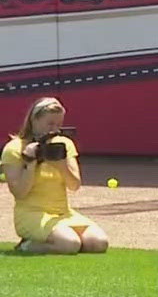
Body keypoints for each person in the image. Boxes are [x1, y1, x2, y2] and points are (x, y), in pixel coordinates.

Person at [3, 97, 107, 254]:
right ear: (34, 121)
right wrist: (31, 162)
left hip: (62, 213)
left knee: (98, 243)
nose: (54, 129)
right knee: (69, 244)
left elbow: (74, 185)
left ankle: (57, 238)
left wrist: (61, 165)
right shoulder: (14, 148)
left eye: (58, 124)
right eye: (50, 124)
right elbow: (19, 192)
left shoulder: (63, 145)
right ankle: (27, 245)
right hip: (31, 213)